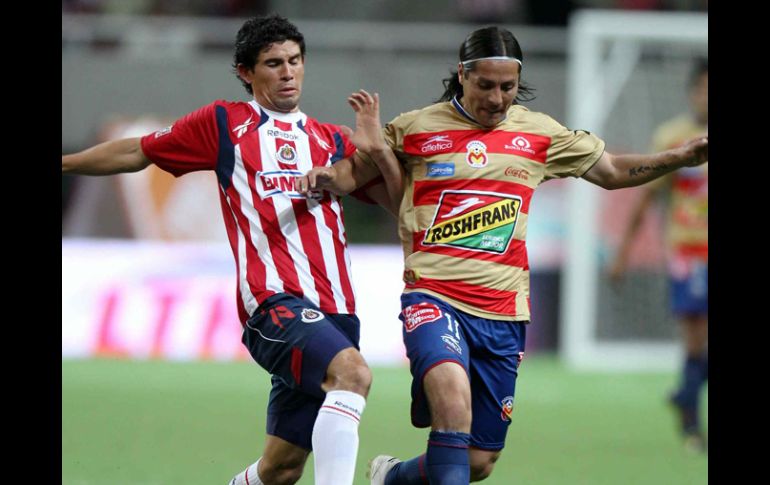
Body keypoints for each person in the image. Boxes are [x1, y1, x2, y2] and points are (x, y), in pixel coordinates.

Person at [298, 26, 708, 484]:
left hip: (502, 311)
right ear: (462, 76)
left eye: (507, 88)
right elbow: (353, 172)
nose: (497, 99)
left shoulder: (539, 133)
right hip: (433, 297)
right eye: (485, 86)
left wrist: (680, 156)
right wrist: (325, 177)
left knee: (478, 462)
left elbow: (611, 170)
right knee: (452, 403)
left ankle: (391, 479)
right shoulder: (417, 127)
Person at [62, 14, 396, 485]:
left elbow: (400, 206)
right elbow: (136, 151)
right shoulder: (225, 124)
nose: (288, 73)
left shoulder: (331, 139)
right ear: (245, 72)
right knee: (353, 374)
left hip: (337, 313)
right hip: (274, 304)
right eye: (274, 63)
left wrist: (377, 153)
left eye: (295, 61)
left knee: (279, 470)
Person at [609, 59, 708, 452]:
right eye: (702, 87)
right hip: (689, 252)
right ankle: (691, 424)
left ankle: (685, 391)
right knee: (695, 339)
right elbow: (645, 197)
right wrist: (623, 253)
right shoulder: (673, 137)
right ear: (691, 91)